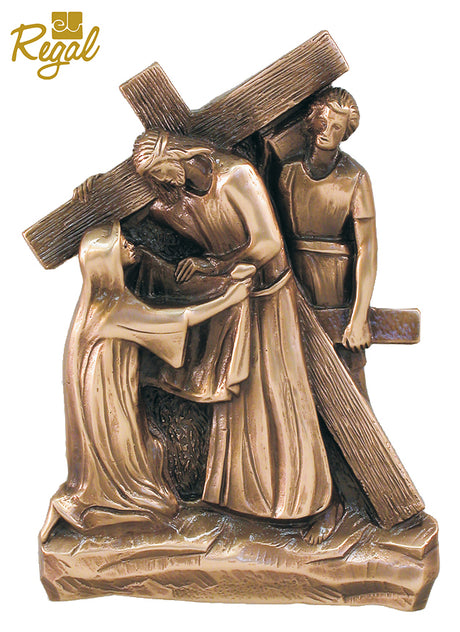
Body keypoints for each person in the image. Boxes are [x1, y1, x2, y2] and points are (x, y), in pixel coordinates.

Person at [131, 130, 335, 527]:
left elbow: (268, 243)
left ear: (176, 156)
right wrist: (93, 198)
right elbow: (143, 213)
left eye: (159, 173)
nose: (161, 184)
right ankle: (243, 499)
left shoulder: (237, 175)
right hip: (235, 298)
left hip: (269, 297)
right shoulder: (180, 198)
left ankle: (301, 500)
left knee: (278, 392)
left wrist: (213, 265)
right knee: (238, 402)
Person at [40, 220, 254, 542]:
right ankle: (100, 507)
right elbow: (178, 319)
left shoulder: (107, 301)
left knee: (145, 469)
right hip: (107, 401)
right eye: (121, 244)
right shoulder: (111, 310)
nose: (130, 244)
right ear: (107, 261)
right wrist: (229, 298)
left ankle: (102, 503)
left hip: (114, 391)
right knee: (137, 481)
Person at [273, 87, 377, 397]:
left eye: (336, 127)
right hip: (293, 280)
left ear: (346, 133)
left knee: (348, 379)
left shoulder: (356, 178)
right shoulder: (288, 173)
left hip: (336, 285)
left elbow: (367, 250)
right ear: (313, 120)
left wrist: (359, 317)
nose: (326, 132)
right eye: (323, 121)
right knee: (293, 380)